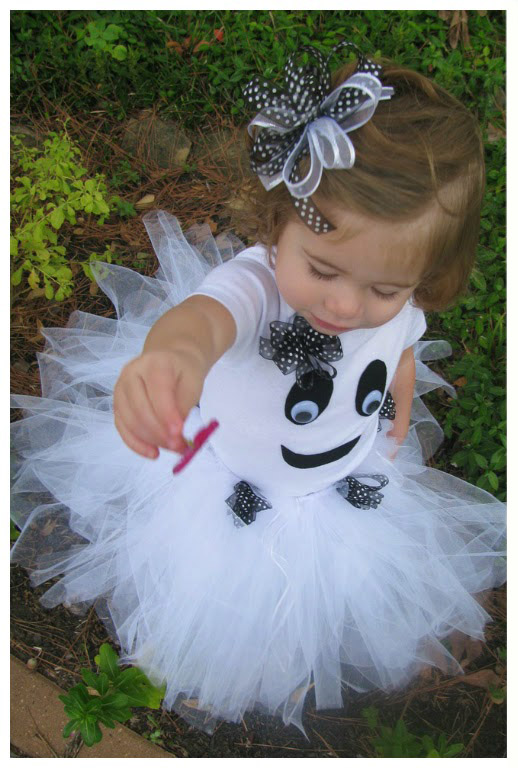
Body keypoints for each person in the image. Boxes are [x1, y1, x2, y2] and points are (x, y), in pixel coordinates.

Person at [11, 43, 505, 737]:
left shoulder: (400, 304)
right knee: (216, 592)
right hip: (229, 486)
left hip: (335, 484)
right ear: (278, 227)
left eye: (384, 289)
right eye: (322, 270)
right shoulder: (258, 289)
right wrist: (172, 358)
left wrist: (399, 392)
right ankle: (194, 649)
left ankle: (279, 650)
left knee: (304, 596)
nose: (345, 306)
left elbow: (402, 340)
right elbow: (205, 321)